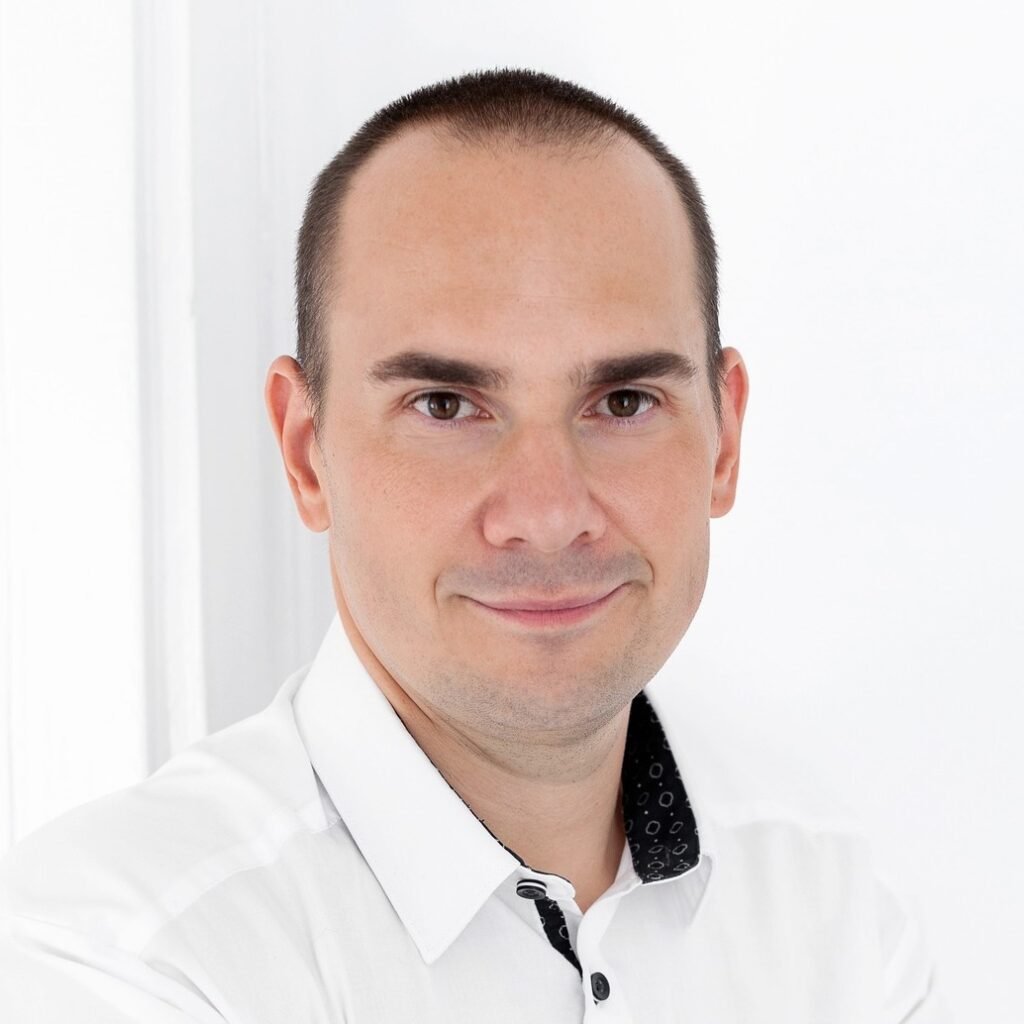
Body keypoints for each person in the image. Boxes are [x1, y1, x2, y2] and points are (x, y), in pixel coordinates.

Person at [0, 67, 949, 1022]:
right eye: (446, 406)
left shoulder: (838, 918)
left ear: (724, 440)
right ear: (306, 453)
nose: (548, 513)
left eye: (624, 402)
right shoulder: (116, 957)